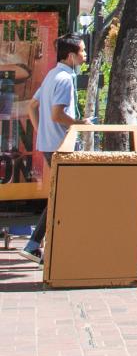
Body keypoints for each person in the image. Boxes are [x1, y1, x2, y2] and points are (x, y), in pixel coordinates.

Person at [19, 34, 92, 263]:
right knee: (66, 197)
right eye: (82, 51)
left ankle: (35, 244)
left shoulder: (52, 75)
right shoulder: (65, 79)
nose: (85, 55)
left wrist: (41, 131)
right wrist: (83, 124)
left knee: (62, 195)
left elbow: (32, 106)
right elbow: (57, 114)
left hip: (50, 145)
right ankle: (47, 247)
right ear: (71, 56)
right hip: (62, 146)